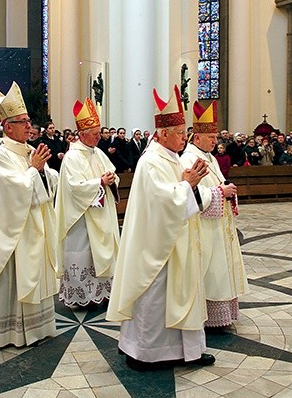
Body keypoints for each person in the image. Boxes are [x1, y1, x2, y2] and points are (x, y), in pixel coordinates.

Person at [107, 85, 214, 371]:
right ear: (163, 134)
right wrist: (187, 185)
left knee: (181, 293)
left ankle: (188, 350)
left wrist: (192, 187)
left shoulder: (172, 158)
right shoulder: (151, 161)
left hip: (178, 241)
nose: (184, 138)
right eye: (179, 133)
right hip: (157, 245)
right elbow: (160, 202)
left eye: (184, 132)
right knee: (155, 296)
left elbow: (180, 196)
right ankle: (144, 353)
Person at [0, 81, 58, 348]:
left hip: (34, 226)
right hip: (13, 232)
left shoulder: (30, 151)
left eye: (29, 121)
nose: (29, 127)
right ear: (8, 126)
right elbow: (13, 191)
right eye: (23, 122)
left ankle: (38, 328)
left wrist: (43, 171)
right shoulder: (0, 155)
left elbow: (49, 181)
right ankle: (8, 332)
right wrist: (34, 170)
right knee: (13, 277)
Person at [179, 101, 249, 329]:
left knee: (220, 265)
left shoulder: (209, 157)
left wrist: (227, 189)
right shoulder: (189, 159)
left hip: (218, 224)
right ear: (197, 138)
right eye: (211, 137)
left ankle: (222, 312)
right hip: (203, 225)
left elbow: (218, 183)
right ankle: (208, 314)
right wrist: (221, 191)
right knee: (210, 268)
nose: (215, 141)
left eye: (216, 137)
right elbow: (192, 193)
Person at [55, 98, 119, 307]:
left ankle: (101, 292)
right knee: (83, 254)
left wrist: (111, 179)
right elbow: (74, 187)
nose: (99, 138)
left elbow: (113, 174)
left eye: (99, 133)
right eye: (94, 134)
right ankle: (81, 295)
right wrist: (99, 182)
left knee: (101, 253)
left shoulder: (98, 152)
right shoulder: (72, 157)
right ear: (82, 135)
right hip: (81, 218)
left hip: (101, 214)